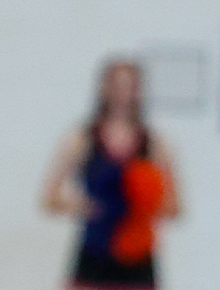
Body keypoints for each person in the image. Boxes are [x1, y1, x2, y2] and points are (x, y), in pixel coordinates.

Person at [42, 58, 181, 290]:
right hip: (95, 253)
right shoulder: (82, 138)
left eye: (130, 86)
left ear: (139, 92)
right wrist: (82, 206)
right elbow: (49, 199)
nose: (122, 93)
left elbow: (175, 206)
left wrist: (143, 206)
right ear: (104, 89)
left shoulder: (154, 144)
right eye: (116, 86)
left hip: (137, 256)